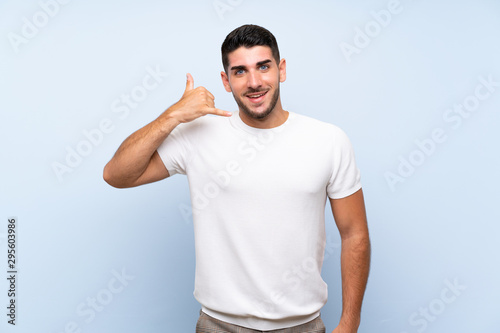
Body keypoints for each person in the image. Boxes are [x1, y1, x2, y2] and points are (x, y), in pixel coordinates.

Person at [103, 24, 370, 333]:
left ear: (281, 70)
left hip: (302, 326)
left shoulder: (329, 140)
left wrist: (350, 323)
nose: (254, 82)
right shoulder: (198, 135)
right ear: (225, 81)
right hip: (219, 326)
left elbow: (354, 234)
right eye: (240, 71)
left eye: (263, 67)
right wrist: (174, 114)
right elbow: (116, 175)